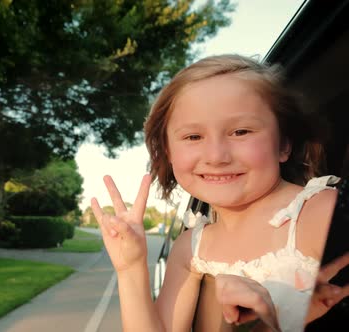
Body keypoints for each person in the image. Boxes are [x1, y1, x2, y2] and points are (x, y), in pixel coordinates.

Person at [90, 54, 349, 331]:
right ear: (169, 152)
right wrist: (130, 268)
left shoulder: (319, 211)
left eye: (240, 131)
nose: (216, 156)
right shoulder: (189, 248)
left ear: (283, 144)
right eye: (193, 137)